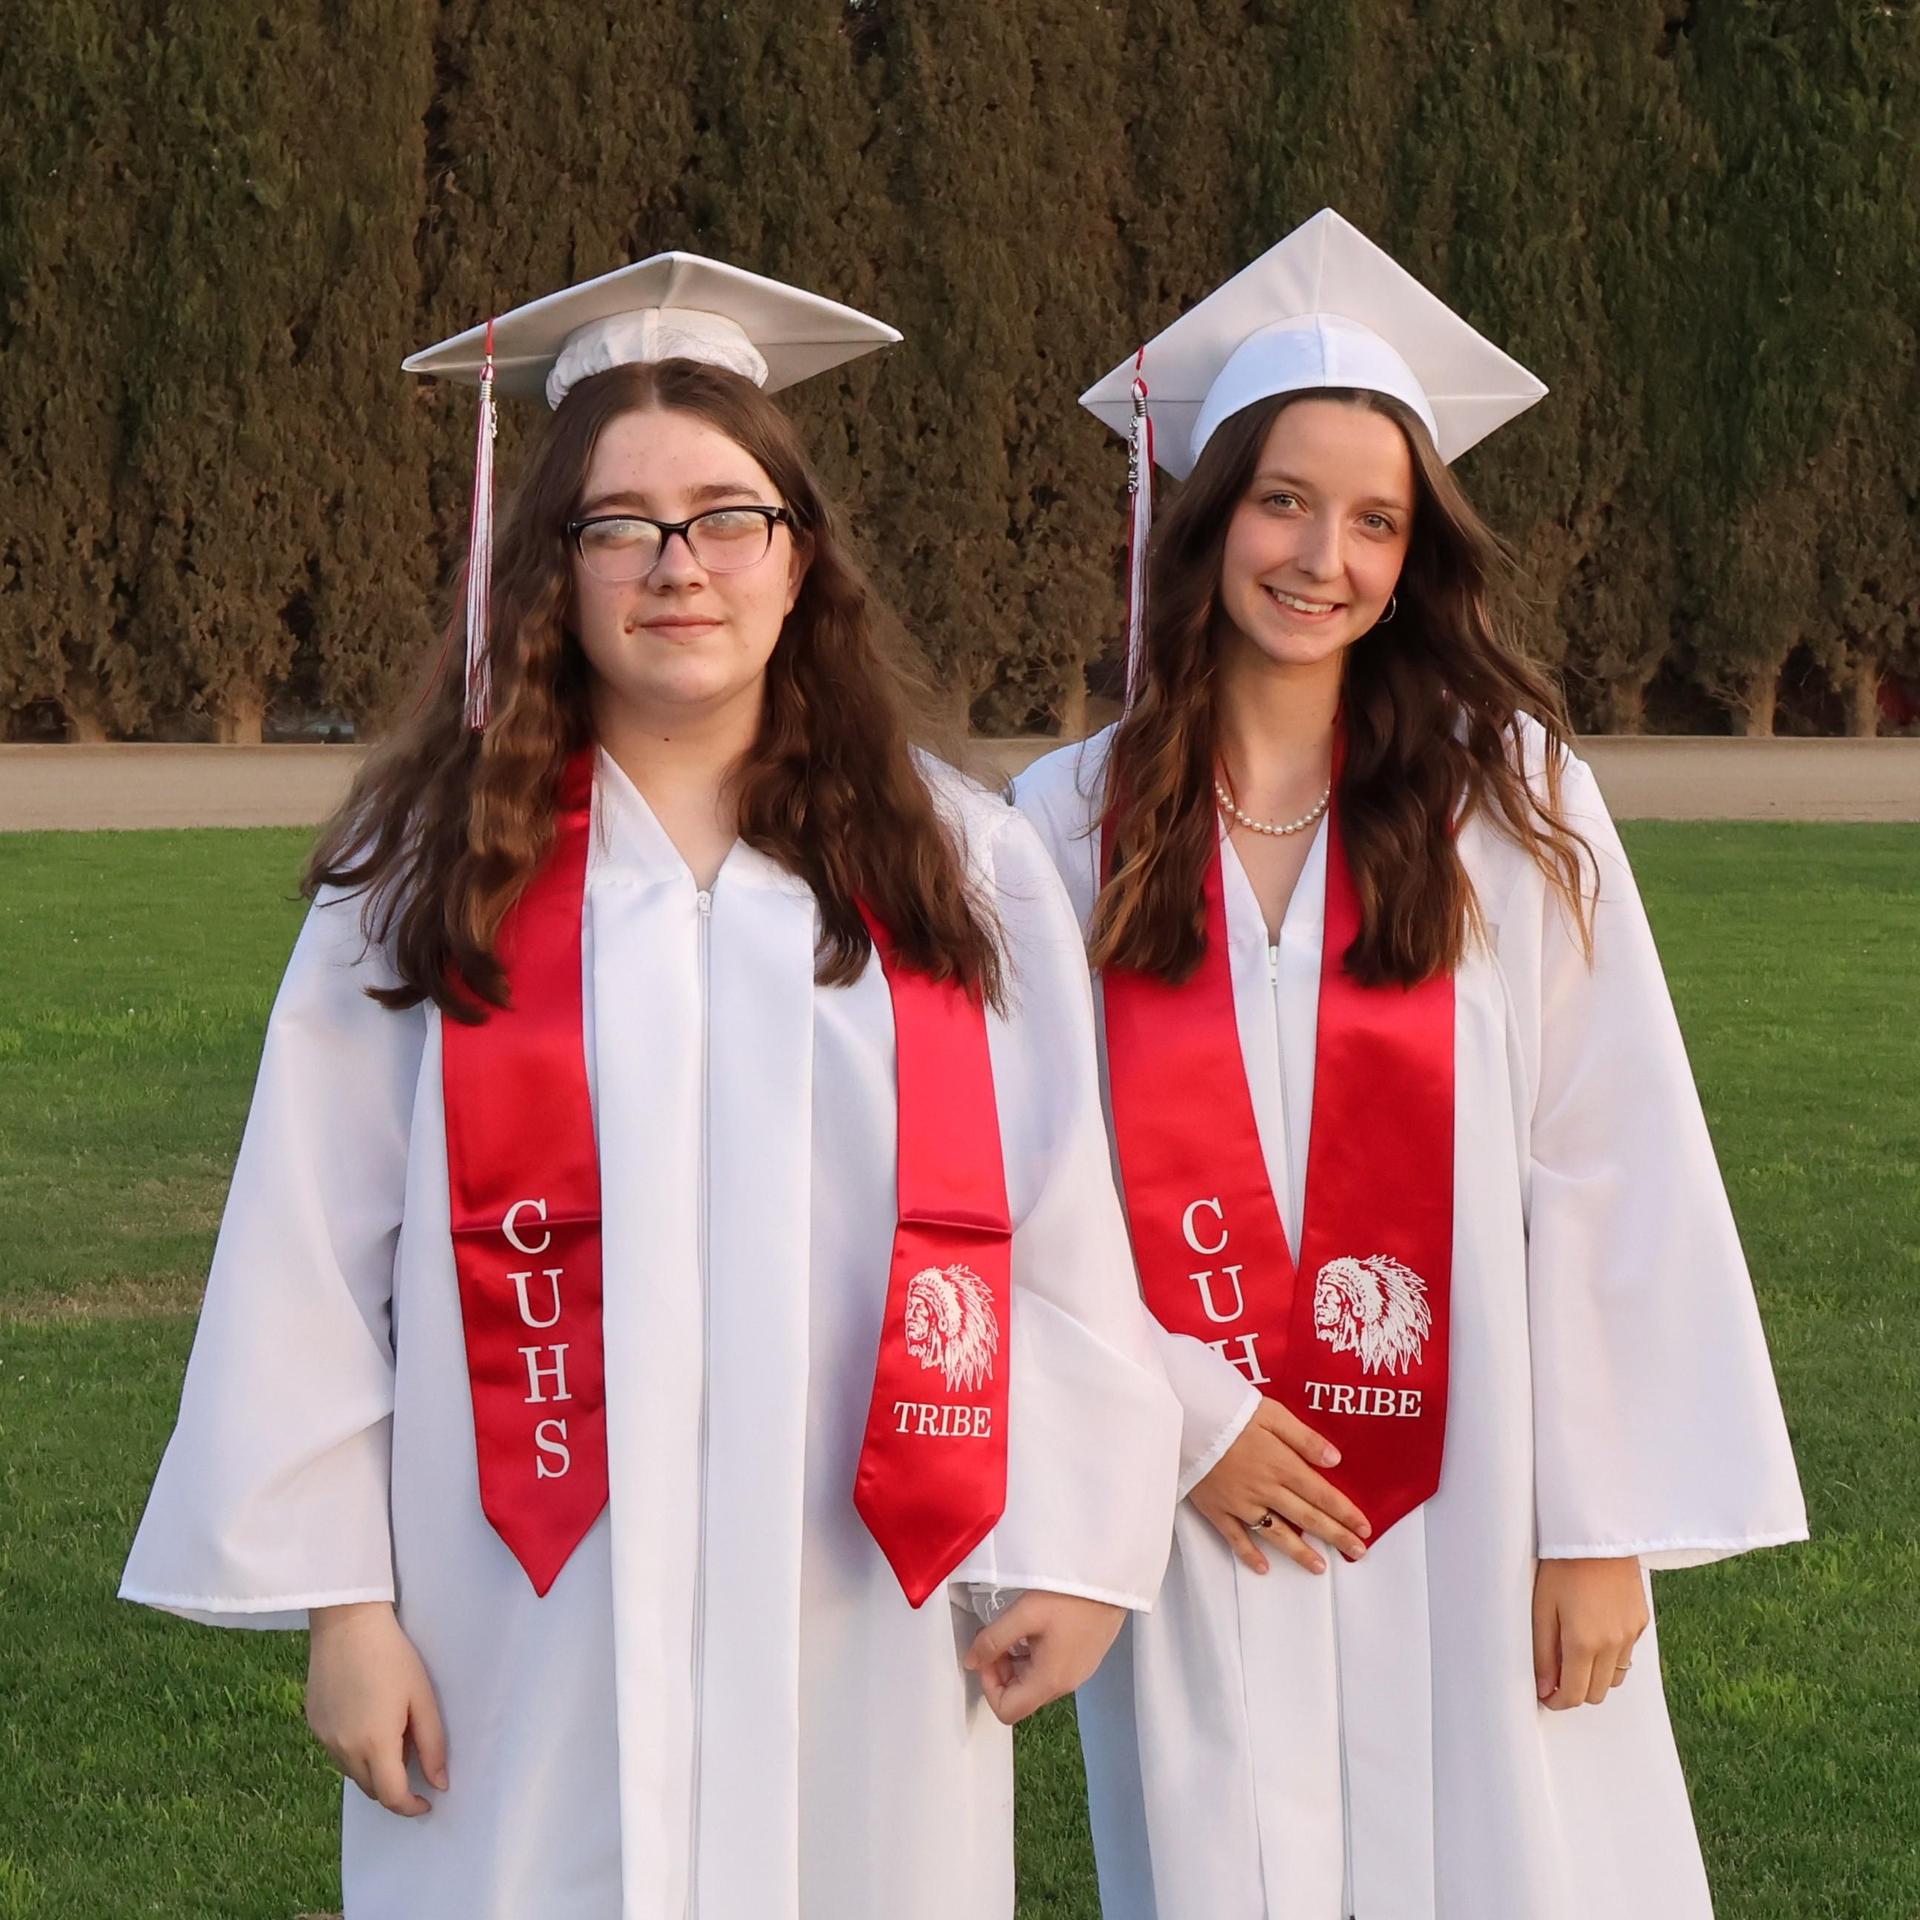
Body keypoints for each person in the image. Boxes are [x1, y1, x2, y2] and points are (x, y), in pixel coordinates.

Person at [120, 252, 1180, 1920]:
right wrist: (344, 1605)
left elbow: (1054, 1220)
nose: (678, 565)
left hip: (854, 1590)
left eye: (726, 515)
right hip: (514, 1608)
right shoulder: (426, 872)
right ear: (547, 571)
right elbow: (307, 1248)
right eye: (620, 524)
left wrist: (1084, 1542)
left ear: (799, 554)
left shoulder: (955, 865)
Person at [1015, 209, 1807, 1919]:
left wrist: (1602, 1528)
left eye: (1375, 519)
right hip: (1211, 1480)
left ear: (1415, 552)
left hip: (1480, 1485)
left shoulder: (1507, 802)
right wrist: (1183, 1420)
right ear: (1211, 515)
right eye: (1286, 502)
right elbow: (1023, 1181)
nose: (1325, 557)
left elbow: (1612, 1164)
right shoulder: (1065, 823)